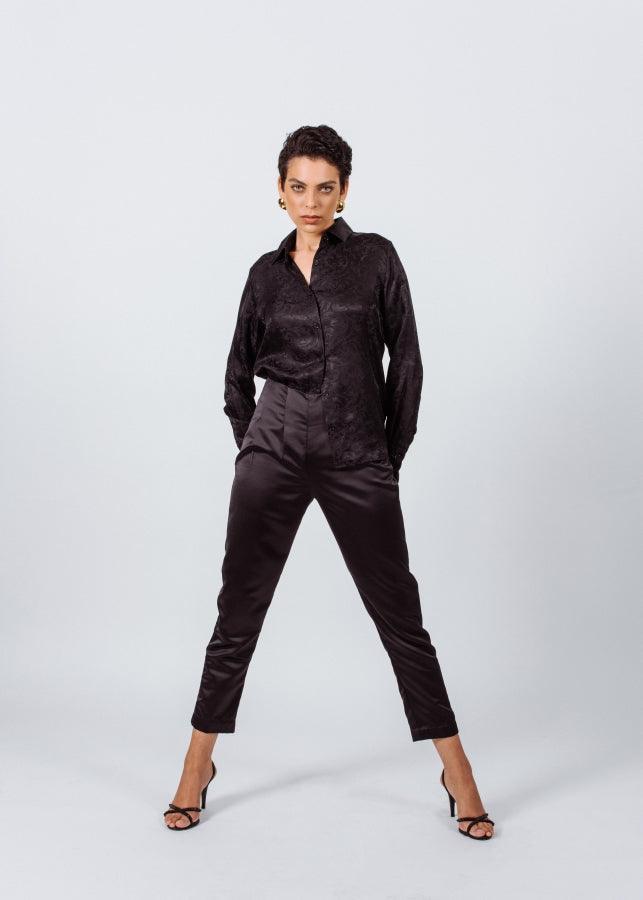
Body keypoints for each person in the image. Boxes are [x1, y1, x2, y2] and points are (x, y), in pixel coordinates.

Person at [162, 125, 495, 840]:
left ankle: (457, 771)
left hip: (356, 450)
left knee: (399, 615)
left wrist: (384, 456)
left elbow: (406, 364)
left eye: (324, 187)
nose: (310, 200)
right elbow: (236, 376)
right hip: (274, 446)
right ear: (279, 193)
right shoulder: (264, 274)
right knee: (237, 612)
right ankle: (196, 764)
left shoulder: (375, 258)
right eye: (297, 187)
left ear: (344, 192)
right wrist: (257, 449)